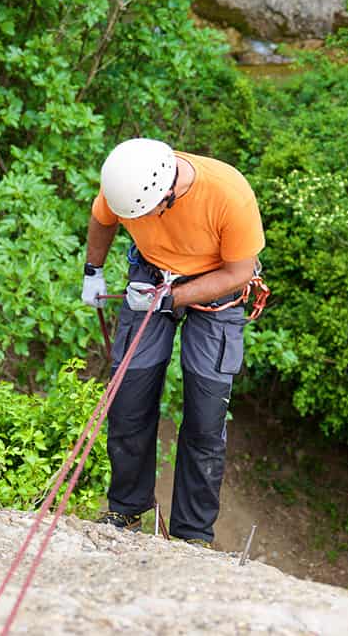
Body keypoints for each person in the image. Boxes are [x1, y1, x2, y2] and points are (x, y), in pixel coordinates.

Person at [81, 137, 265, 548]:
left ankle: (191, 535)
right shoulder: (128, 179)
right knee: (129, 398)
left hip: (216, 285)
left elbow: (238, 272)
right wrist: (93, 270)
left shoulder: (228, 195)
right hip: (152, 271)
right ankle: (125, 510)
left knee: (204, 413)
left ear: (167, 195)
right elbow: (103, 219)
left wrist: (172, 297)